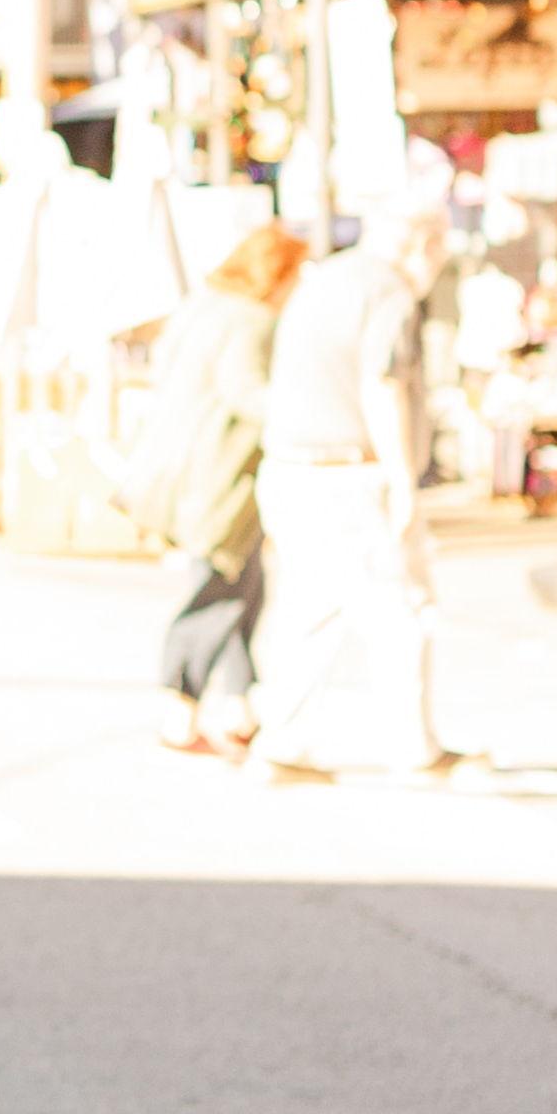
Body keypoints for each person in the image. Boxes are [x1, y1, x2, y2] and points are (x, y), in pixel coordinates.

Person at [250, 181, 457, 781]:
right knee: (403, 609)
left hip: (291, 469)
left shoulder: (328, 279)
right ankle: (416, 749)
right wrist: (403, 482)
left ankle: (281, 745)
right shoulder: (387, 291)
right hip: (347, 474)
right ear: (422, 242)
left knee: (311, 612)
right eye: (440, 246)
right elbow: (383, 384)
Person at [141, 215, 309, 754]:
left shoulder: (202, 307)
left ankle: (239, 706)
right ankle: (179, 707)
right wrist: (305, 414)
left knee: (243, 583)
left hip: (185, 464)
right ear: (276, 275)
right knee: (222, 586)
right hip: (224, 471)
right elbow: (246, 391)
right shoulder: (253, 320)